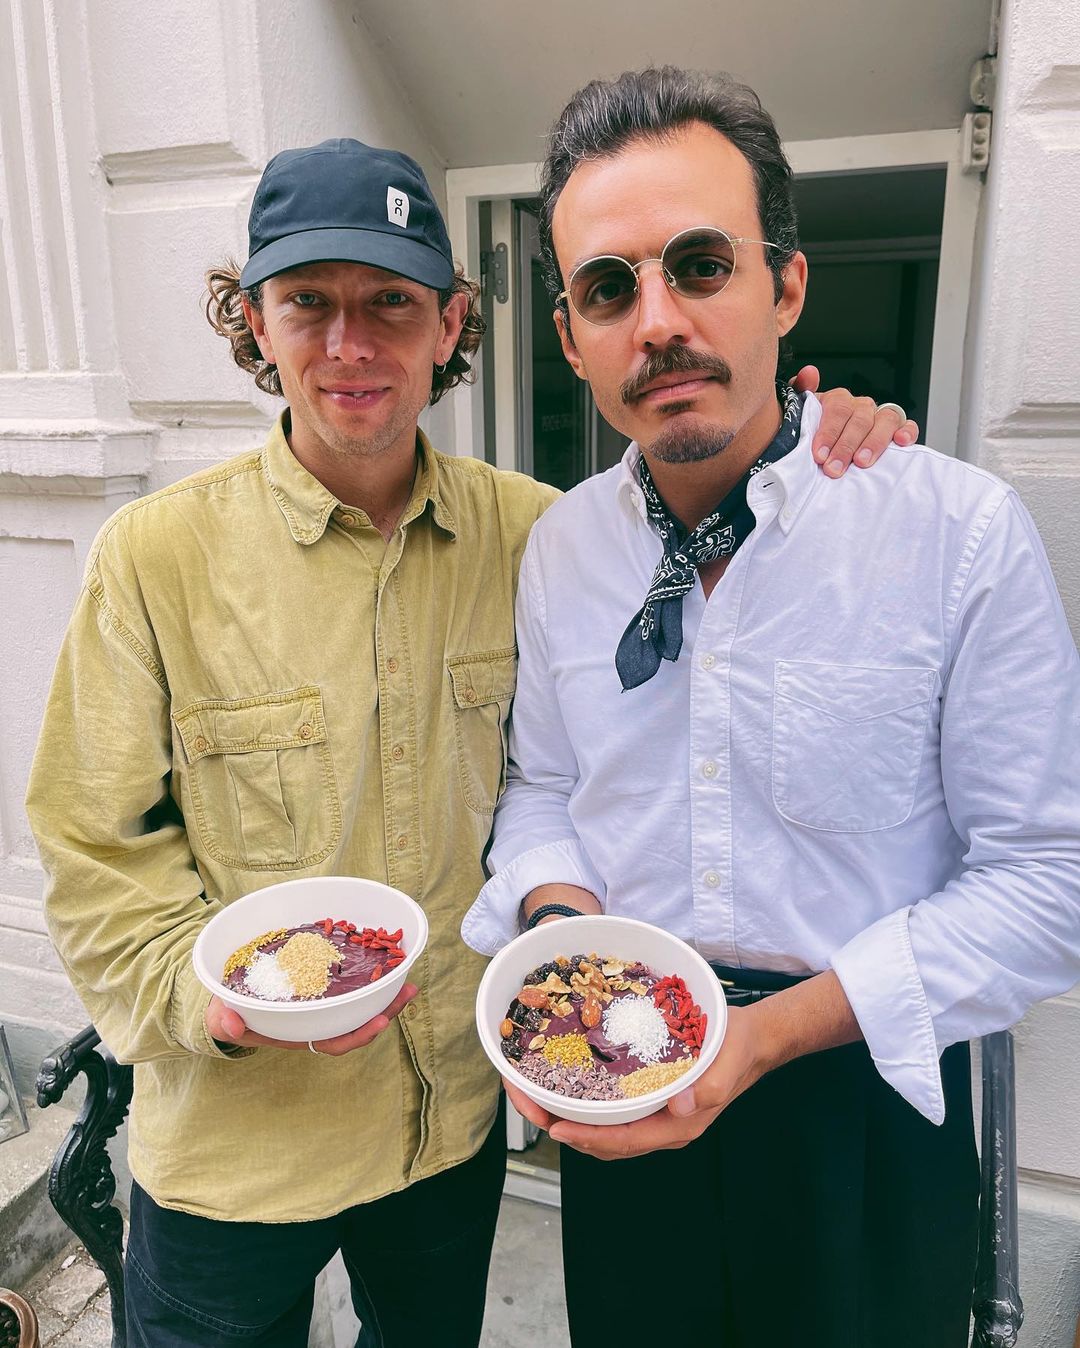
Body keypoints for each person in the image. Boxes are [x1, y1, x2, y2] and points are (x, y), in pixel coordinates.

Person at [26, 134, 913, 1348]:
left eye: (391, 302)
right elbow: (91, 845)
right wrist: (208, 1003)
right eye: (308, 302)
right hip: (237, 1145)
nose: (350, 344)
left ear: (450, 323)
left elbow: (692, 626)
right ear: (255, 323)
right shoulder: (155, 558)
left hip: (445, 1129)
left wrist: (827, 440)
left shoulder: (543, 539)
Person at [462, 67, 1080, 1348]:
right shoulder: (563, 549)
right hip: (623, 1068)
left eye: (702, 265)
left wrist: (759, 1038)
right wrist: (564, 937)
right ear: (570, 338)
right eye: (608, 289)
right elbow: (543, 788)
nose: (658, 322)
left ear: (786, 286)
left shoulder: (953, 532)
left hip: (866, 1091)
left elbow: (1049, 881)